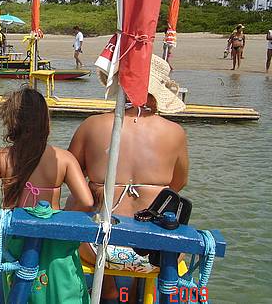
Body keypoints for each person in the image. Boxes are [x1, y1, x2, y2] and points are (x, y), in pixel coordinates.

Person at [67, 55, 189, 302]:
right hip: (158, 252)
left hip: (98, 248)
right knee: (166, 203)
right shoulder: (175, 132)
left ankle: (109, 286)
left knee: (78, 198)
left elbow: (70, 174)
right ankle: (135, 289)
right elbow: (178, 183)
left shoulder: (93, 125)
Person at [0, 87, 94, 303]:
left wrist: (4, 222)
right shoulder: (63, 159)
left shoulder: (1, 157)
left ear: (11, 122)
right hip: (53, 237)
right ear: (45, 122)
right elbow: (86, 201)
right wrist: (60, 222)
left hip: (16, 238)